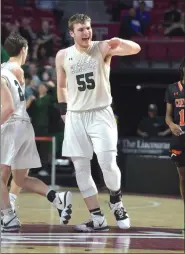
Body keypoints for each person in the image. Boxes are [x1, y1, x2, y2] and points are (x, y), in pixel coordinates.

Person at [56, 13, 141, 232]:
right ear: (71, 33)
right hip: (75, 116)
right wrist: (64, 110)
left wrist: (121, 42)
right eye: (81, 29)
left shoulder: (102, 47)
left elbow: (136, 49)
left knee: (108, 164)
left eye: (88, 28)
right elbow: (61, 85)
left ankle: (116, 201)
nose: (86, 32)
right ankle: (97, 219)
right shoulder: (63, 55)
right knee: (81, 169)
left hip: (100, 113)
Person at [0, 33, 72, 232]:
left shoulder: (4, 71)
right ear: (24, 50)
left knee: (2, 175)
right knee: (20, 179)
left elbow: (6, 108)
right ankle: (58, 198)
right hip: (24, 126)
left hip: (11, 125)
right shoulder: (17, 72)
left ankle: (8, 217)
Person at [165, 57, 185, 229]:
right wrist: (171, 125)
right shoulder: (172, 88)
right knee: (182, 176)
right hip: (179, 138)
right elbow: (168, 116)